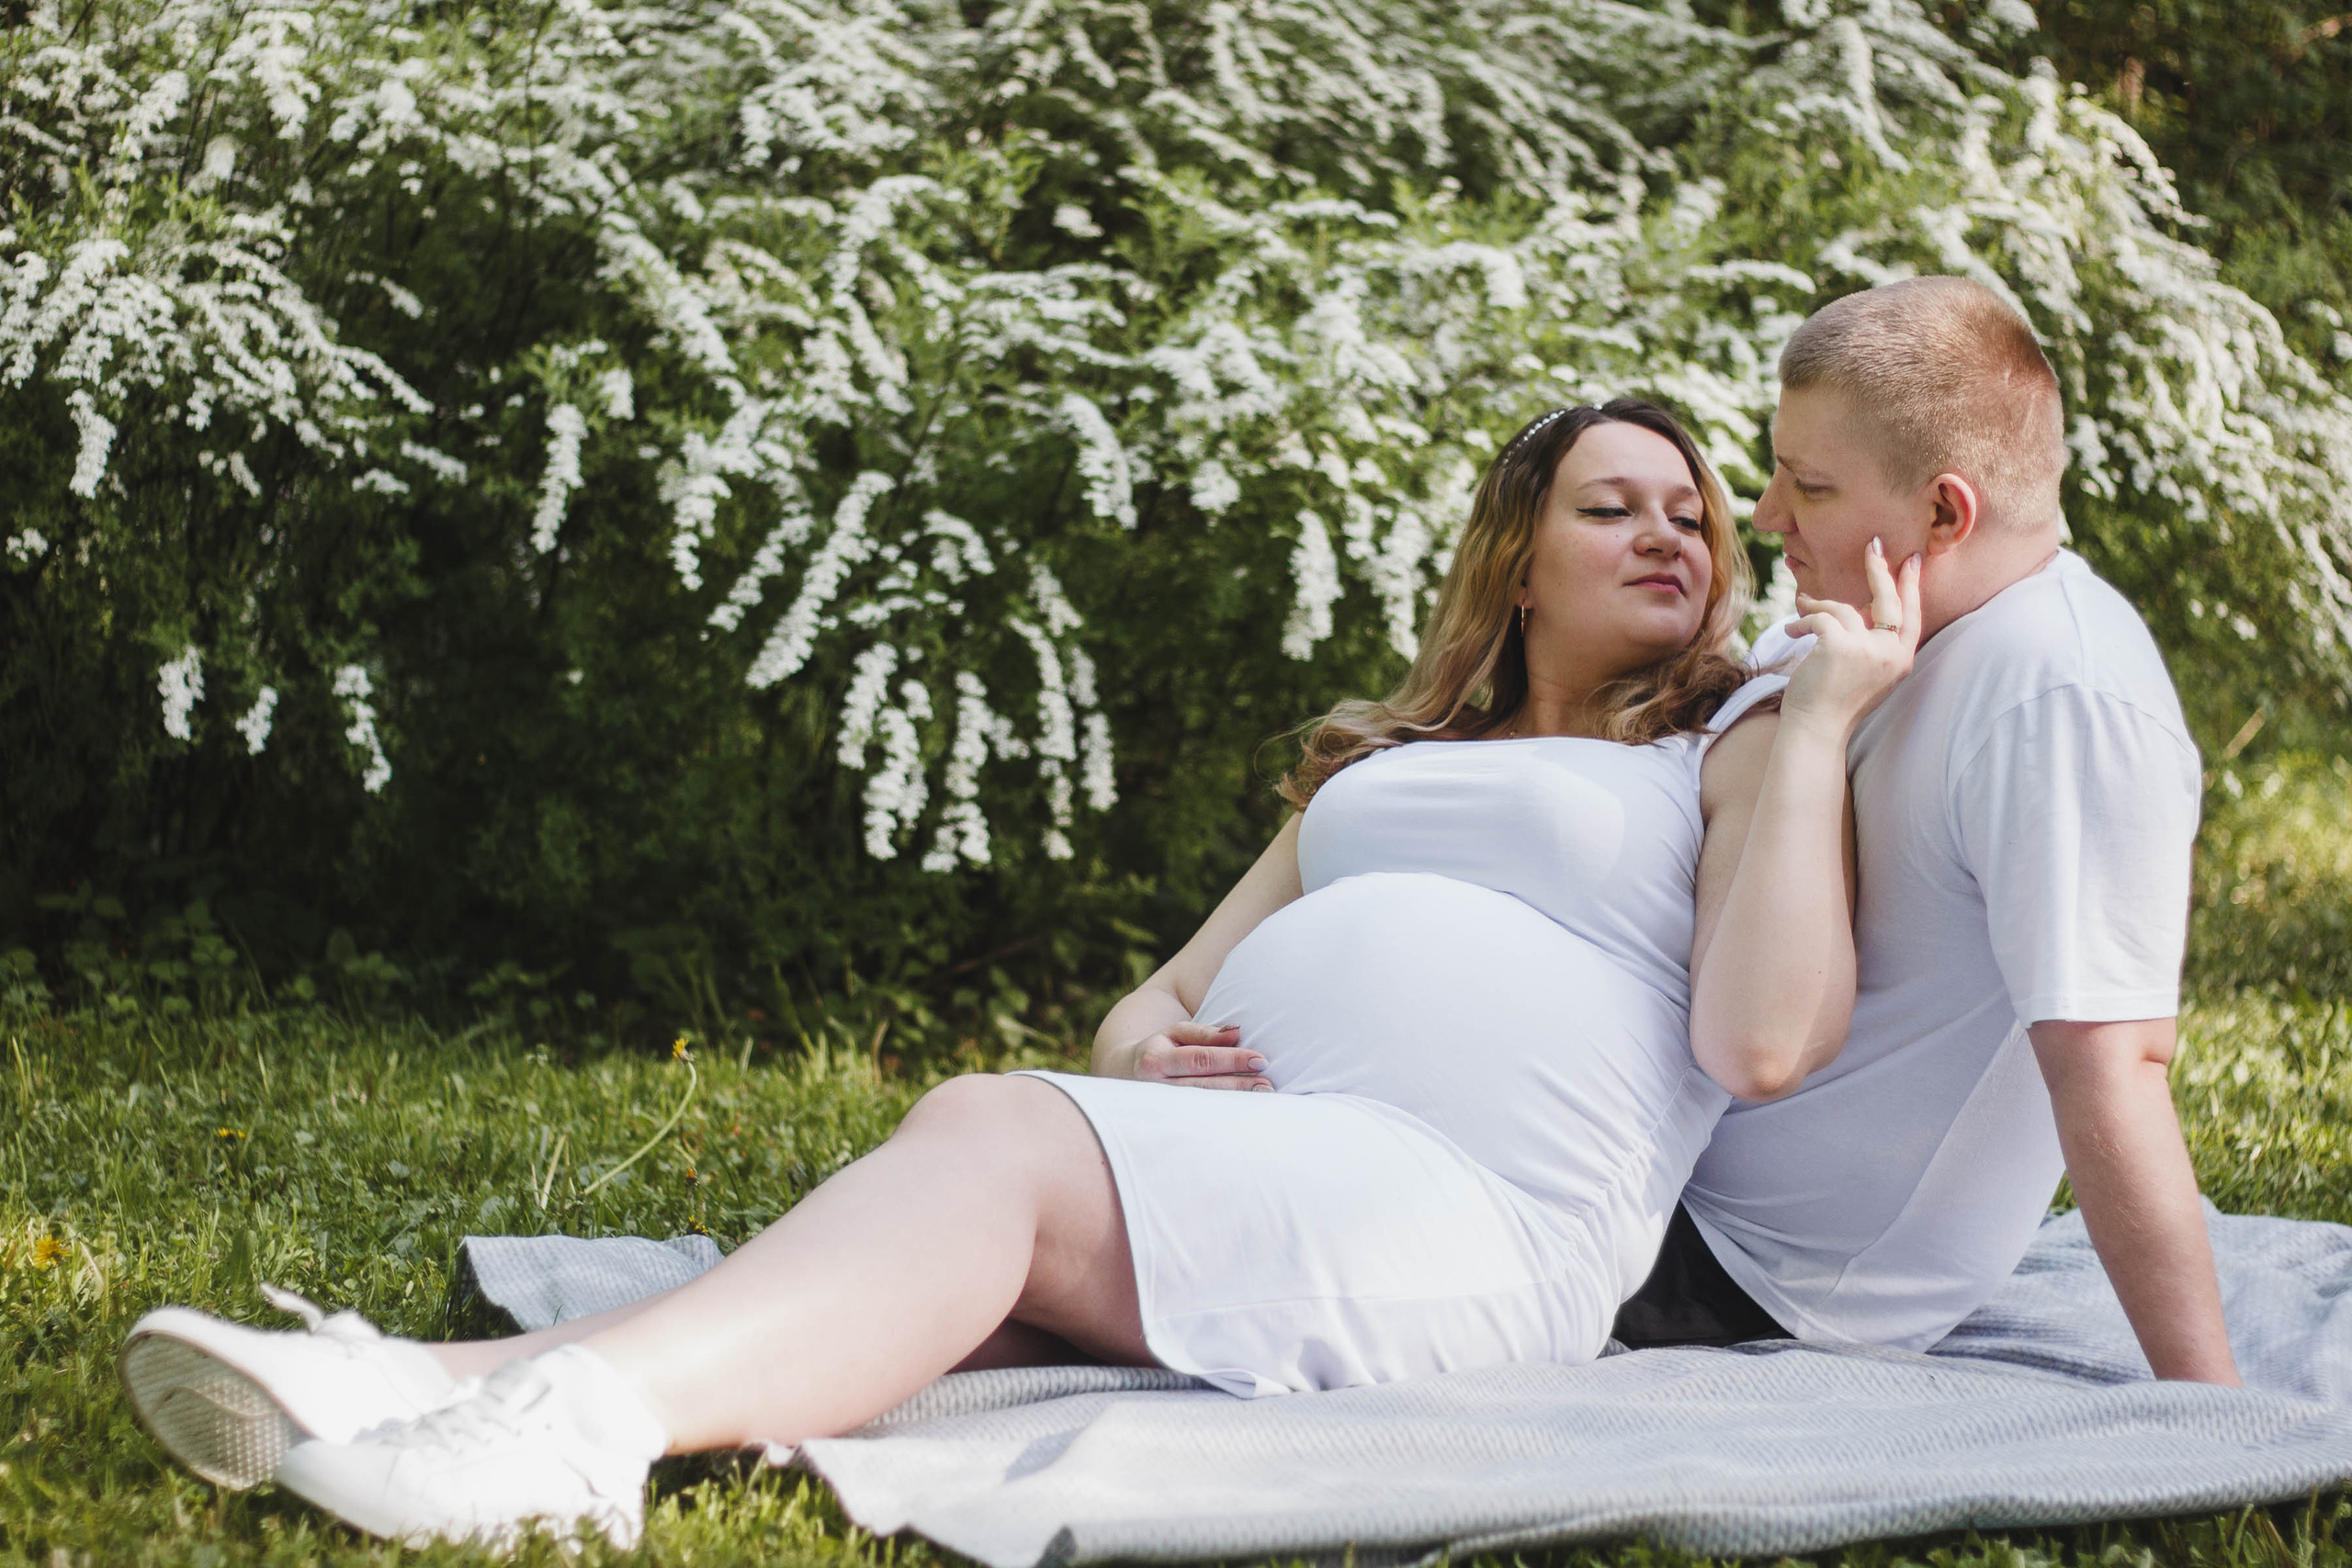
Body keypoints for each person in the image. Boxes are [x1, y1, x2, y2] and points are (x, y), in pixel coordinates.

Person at [118, 399, 1918, 1551]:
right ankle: (419, 1381)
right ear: (1516, 558)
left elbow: (1759, 1037)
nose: (1675, 533)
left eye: (1694, 511)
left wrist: (1831, 705)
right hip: (1290, 1166)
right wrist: (1149, 1050)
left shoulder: (1731, 746)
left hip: (1471, 1219)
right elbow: (1158, 989)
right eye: (1617, 506)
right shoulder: (1385, 766)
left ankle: (571, 1451)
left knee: (987, 1140)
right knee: (938, 1237)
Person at [1606, 277, 2242, 1387]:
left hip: (1738, 1276)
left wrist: (2212, 1410)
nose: (1763, 515)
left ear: (1944, 514)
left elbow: (2113, 1066)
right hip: (1638, 1168)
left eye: (1807, 486)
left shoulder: (2059, 699)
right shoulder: (1857, 629)